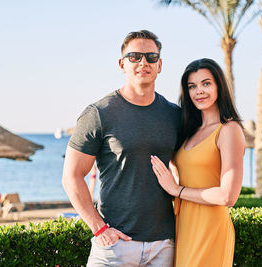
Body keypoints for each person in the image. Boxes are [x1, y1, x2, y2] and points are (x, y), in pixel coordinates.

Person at [62, 30, 180, 266]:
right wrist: (99, 229)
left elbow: (188, 164)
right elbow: (72, 176)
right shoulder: (99, 113)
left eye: (151, 57)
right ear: (122, 64)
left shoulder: (174, 115)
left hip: (163, 246)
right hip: (114, 246)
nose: (143, 62)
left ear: (160, 65)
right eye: (134, 56)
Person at [150, 58, 245, 267]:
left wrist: (177, 190)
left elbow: (227, 196)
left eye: (206, 83)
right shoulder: (189, 132)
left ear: (219, 86)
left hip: (210, 228)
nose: (199, 91)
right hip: (184, 226)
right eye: (192, 86)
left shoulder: (229, 130)